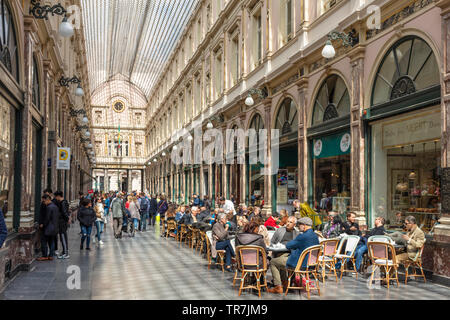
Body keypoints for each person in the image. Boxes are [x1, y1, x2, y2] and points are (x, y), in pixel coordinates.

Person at [268, 217, 318, 294]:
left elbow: (289, 245)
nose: (298, 227)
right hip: (311, 265)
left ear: (304, 225)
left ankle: (278, 287)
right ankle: (285, 283)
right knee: (281, 259)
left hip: (299, 264)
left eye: (299, 225)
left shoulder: (303, 236)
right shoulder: (315, 236)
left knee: (273, 262)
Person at [37, 194, 59, 261]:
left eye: (44, 201)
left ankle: (45, 255)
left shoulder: (49, 207)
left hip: (48, 228)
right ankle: (51, 255)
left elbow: (47, 218)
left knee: (44, 241)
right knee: (51, 241)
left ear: (47, 200)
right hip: (54, 227)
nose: (43, 203)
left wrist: (43, 224)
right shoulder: (55, 206)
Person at [54, 191, 70, 259]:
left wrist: (67, 219)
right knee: (63, 237)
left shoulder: (63, 202)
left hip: (62, 222)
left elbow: (64, 212)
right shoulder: (64, 201)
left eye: (55, 196)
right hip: (62, 221)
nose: (55, 198)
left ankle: (66, 253)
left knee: (63, 237)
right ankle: (64, 251)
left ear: (58, 196)